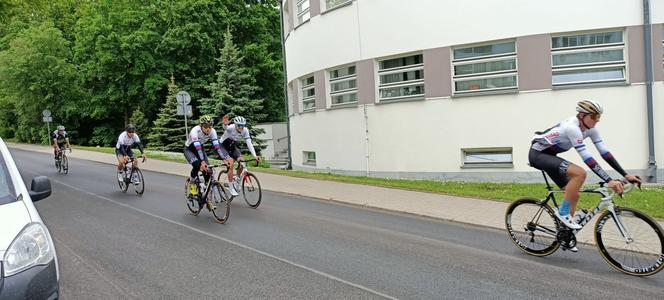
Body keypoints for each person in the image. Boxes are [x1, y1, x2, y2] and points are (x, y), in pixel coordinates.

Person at [529, 100, 641, 234]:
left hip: (550, 155)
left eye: (598, 117)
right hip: (538, 155)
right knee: (580, 173)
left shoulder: (591, 130)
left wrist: (625, 175)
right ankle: (563, 213)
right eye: (593, 116)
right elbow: (587, 158)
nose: (597, 120)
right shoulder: (572, 128)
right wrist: (609, 181)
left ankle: (565, 233)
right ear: (582, 115)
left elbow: (604, 153)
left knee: (573, 195)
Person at [184, 115, 227, 208]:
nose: (208, 129)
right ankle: (192, 183)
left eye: (210, 126)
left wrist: (224, 158)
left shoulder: (213, 131)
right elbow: (197, 147)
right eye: (205, 127)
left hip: (200, 148)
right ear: (201, 126)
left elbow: (216, 146)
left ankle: (208, 199)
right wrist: (202, 162)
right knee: (197, 165)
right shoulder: (195, 130)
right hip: (190, 150)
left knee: (208, 171)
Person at [219, 115, 261, 196]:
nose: (241, 127)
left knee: (242, 161)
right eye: (239, 125)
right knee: (230, 163)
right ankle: (231, 187)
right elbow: (225, 128)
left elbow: (249, 143)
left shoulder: (245, 130)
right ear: (235, 125)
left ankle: (236, 179)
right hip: (223, 147)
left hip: (232, 146)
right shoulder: (231, 127)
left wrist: (255, 155)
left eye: (242, 125)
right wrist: (224, 124)